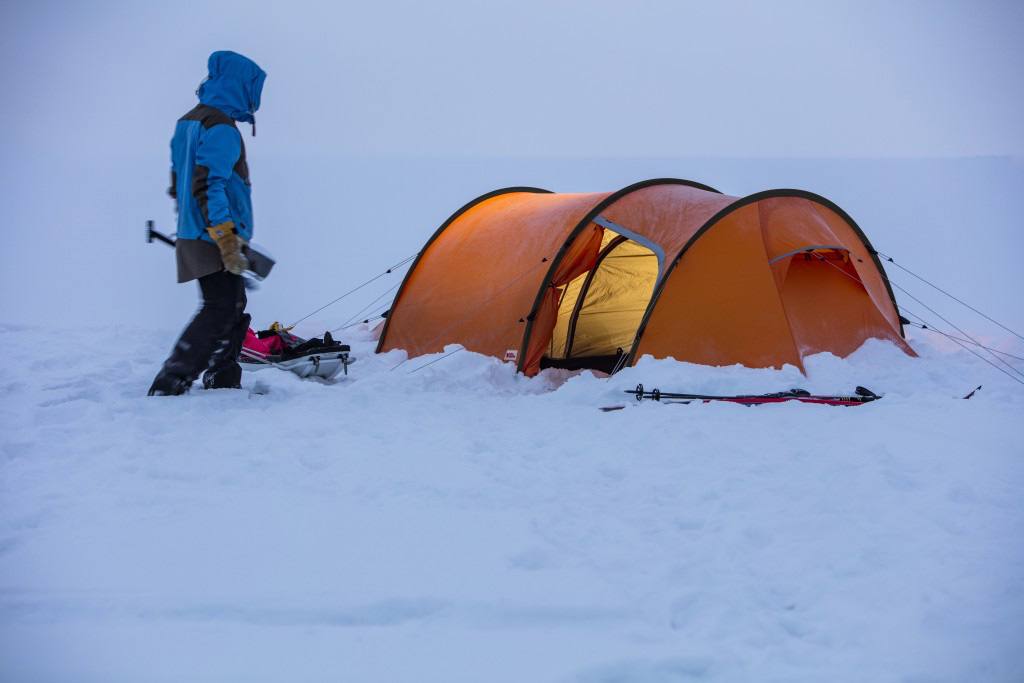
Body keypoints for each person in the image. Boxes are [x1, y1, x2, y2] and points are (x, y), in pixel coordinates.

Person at [149, 51, 267, 396]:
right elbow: (209, 183)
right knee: (219, 307)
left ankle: (223, 375)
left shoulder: (189, 121)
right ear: (240, 87)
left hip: (196, 229)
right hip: (214, 233)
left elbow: (179, 180)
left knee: (233, 302)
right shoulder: (220, 128)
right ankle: (173, 378)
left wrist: (192, 220)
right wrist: (225, 237)